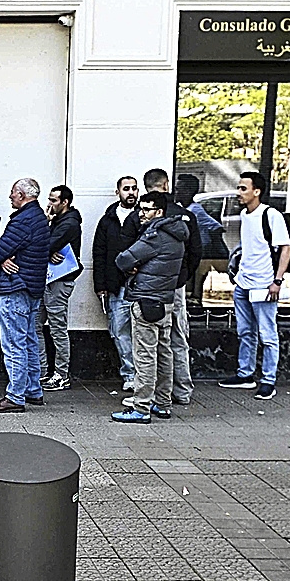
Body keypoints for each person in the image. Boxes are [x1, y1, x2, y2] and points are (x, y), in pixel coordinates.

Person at [112, 191, 188, 424]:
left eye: (147, 209)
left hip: (146, 300)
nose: (141, 213)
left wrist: (134, 267)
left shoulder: (155, 235)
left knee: (145, 355)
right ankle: (163, 404)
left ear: (159, 212)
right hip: (165, 300)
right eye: (140, 208)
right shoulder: (176, 234)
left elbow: (123, 259)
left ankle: (141, 407)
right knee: (164, 353)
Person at [0, 178, 52, 413]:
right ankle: (33, 390)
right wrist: (4, 257)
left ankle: (15, 396)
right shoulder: (39, 217)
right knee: (29, 340)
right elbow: (10, 251)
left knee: (14, 344)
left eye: (13, 192)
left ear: (22, 195)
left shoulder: (23, 220)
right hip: (32, 288)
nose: (10, 196)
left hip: (15, 288)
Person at [219, 172, 290, 401]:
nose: (238, 193)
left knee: (267, 334)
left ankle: (268, 380)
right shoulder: (244, 215)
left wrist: (277, 281)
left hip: (264, 284)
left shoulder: (271, 215)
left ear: (256, 191)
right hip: (244, 282)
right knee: (245, 331)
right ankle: (245, 374)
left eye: (243, 188)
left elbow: (285, 248)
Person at [143, 168, 202, 405]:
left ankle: (153, 393)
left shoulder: (143, 215)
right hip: (175, 284)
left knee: (148, 342)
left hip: (149, 286)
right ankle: (182, 390)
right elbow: (195, 252)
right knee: (176, 336)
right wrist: (182, 277)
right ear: (166, 185)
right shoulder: (184, 215)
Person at [92, 176, 142, 392]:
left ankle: (144, 376)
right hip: (116, 285)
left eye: (134, 188)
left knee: (143, 333)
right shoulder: (108, 220)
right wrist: (100, 285)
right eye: (126, 189)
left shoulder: (145, 216)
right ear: (118, 192)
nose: (131, 192)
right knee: (120, 331)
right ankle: (130, 374)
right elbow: (99, 253)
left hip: (141, 285)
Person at [42, 185, 82, 392]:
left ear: (65, 202)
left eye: (54, 200)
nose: (49, 204)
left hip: (59, 280)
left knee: (57, 328)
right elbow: (45, 247)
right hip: (48, 279)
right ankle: (41, 371)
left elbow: (42, 245)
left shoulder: (69, 223)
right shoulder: (58, 221)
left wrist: (46, 225)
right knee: (36, 325)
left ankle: (61, 374)